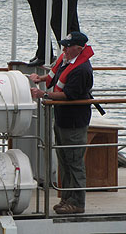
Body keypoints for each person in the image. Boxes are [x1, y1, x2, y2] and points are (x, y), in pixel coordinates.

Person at [29, 31, 94, 215]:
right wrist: (41, 79)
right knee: (65, 160)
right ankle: (67, 199)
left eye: (67, 46)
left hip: (73, 122)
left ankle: (77, 202)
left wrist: (44, 94)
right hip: (63, 120)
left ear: (78, 49)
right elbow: (56, 79)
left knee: (74, 161)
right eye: (63, 45)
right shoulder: (67, 62)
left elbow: (68, 96)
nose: (64, 49)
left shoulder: (81, 70)